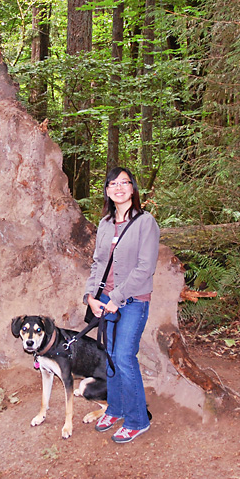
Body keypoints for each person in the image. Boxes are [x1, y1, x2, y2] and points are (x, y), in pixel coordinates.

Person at [83, 167, 160, 443]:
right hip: (104, 301)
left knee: (125, 358)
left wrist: (116, 299)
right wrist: (90, 296)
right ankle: (115, 409)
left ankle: (138, 419)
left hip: (133, 301)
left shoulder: (145, 222)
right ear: (107, 191)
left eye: (124, 183)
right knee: (111, 357)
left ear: (133, 188)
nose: (118, 188)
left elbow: (145, 268)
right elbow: (97, 264)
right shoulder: (104, 224)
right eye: (113, 184)